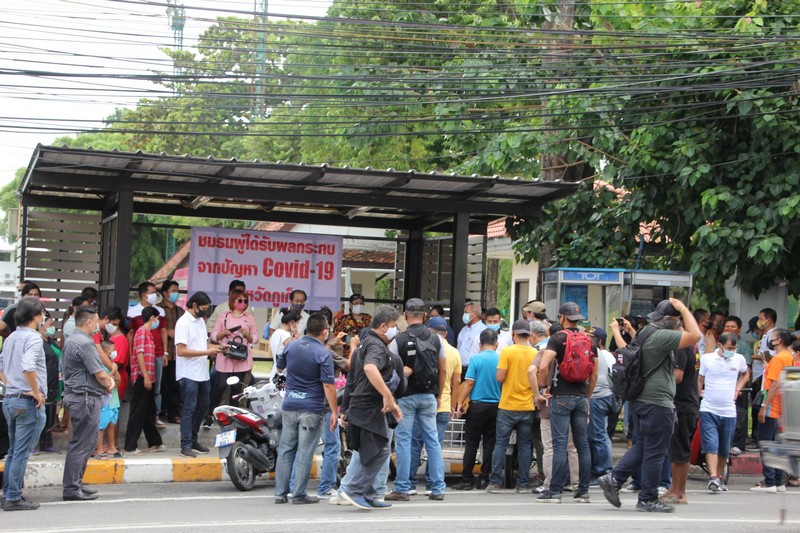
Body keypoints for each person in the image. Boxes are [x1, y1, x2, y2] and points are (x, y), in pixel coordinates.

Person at [598, 298, 700, 513]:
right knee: (655, 452)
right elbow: (695, 335)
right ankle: (647, 498)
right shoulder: (662, 336)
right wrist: (684, 309)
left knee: (643, 446)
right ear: (673, 320)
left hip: (642, 400)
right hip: (657, 402)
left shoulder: (645, 333)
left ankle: (614, 479)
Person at [337, 305, 404, 510]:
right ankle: (354, 490)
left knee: (373, 450)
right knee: (380, 450)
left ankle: (367, 493)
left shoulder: (367, 343)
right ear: (384, 326)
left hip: (364, 404)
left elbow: (354, 379)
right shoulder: (376, 346)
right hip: (367, 406)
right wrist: (387, 396)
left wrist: (390, 401)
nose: (396, 330)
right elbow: (369, 368)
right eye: (394, 326)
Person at [535, 303, 597, 504]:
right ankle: (583, 491)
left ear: (562, 317)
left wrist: (544, 386)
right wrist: (587, 396)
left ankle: (555, 492)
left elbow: (544, 364)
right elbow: (594, 374)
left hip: (561, 396)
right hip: (581, 397)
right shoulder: (589, 340)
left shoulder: (558, 338)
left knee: (559, 444)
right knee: (582, 444)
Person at [386, 298, 447, 502]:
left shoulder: (398, 340)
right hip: (429, 395)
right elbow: (443, 369)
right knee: (433, 441)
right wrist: (438, 394)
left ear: (405, 316)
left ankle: (402, 487)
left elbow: (390, 370)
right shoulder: (436, 339)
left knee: (404, 440)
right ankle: (437, 487)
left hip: (406, 396)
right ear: (425, 315)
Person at [273, 313, 338, 505]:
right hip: (311, 407)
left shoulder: (291, 346)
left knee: (286, 449)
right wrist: (334, 411)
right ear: (324, 332)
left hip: (290, 404)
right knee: (305, 451)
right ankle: (299, 494)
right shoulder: (323, 353)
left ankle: (280, 493)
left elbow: (280, 367)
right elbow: (328, 385)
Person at [61, 306, 115, 501]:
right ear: (89, 322)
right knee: (83, 443)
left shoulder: (72, 340)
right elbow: (99, 373)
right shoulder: (85, 342)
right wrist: (109, 382)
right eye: (97, 321)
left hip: (79, 396)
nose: (98, 325)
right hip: (85, 397)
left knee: (85, 442)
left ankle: (76, 483)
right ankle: (72, 488)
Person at [0, 298, 48, 510]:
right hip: (27, 402)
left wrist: (12, 384)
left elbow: (1, 366)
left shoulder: (11, 338)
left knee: (14, 451)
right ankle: (13, 497)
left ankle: (9, 493)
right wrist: (36, 393)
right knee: (21, 452)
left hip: (11, 399)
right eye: (42, 314)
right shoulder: (34, 338)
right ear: (36, 316)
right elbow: (29, 367)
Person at [408, 315, 461, 495]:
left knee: (415, 443)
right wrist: (453, 404)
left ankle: (410, 483)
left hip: (424, 400)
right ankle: (432, 484)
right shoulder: (454, 352)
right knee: (435, 445)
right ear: (446, 333)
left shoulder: (423, 346)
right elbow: (456, 382)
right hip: (443, 404)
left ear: (429, 330)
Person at [485, 319, 540, 494]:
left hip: (507, 405)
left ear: (513, 334)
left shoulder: (507, 351)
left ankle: (495, 482)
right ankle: (522, 483)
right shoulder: (535, 353)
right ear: (529, 335)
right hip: (527, 406)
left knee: (500, 444)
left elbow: (500, 377)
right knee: (524, 446)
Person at [698, 332, 749, 492]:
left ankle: (719, 477)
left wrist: (737, 389)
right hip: (708, 409)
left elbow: (746, 373)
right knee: (711, 445)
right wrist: (698, 393)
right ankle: (713, 477)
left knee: (724, 448)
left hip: (729, 411)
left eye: (734, 348)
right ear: (720, 345)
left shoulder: (739, 359)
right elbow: (700, 378)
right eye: (729, 348)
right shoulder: (707, 359)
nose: (731, 351)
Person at [453, 328, 501, 491]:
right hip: (496, 406)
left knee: (471, 444)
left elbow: (469, 382)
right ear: (496, 344)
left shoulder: (475, 359)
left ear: (480, 344)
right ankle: (484, 478)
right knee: (489, 444)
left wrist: (460, 402)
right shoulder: (501, 359)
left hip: (477, 406)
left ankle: (467, 479)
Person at [174, 292, 218, 458]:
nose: (205, 312)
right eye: (203, 308)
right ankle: (185, 444)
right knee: (189, 408)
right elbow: (181, 351)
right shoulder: (183, 323)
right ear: (194, 305)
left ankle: (193, 440)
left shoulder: (200, 321)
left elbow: (203, 344)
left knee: (203, 406)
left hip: (202, 372)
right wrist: (207, 351)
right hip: (188, 373)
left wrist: (216, 348)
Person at [751, 328, 794, 493]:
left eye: (773, 338)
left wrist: (764, 406)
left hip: (772, 405)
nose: (770, 340)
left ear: (779, 341)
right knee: (777, 444)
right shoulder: (789, 357)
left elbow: (774, 385)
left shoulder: (778, 358)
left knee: (766, 443)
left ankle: (769, 482)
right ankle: (779, 481)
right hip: (782, 406)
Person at [660, 325, 700, 505]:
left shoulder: (681, 347)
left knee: (681, 449)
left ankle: (680, 492)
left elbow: (677, 376)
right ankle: (673, 488)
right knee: (675, 449)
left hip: (683, 404)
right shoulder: (690, 346)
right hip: (685, 402)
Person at [207, 288, 258, 425]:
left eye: (245, 301)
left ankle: (232, 418)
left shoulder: (249, 317)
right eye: (240, 300)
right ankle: (211, 414)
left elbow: (255, 338)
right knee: (220, 386)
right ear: (232, 301)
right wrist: (223, 333)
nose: (243, 303)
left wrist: (247, 334)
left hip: (241, 357)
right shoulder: (223, 316)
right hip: (225, 355)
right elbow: (213, 335)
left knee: (236, 388)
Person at [124, 307, 165, 455]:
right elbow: (139, 354)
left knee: (149, 411)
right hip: (142, 377)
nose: (157, 321)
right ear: (152, 318)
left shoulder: (148, 333)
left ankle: (155, 442)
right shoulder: (142, 332)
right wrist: (146, 376)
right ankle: (130, 446)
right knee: (138, 411)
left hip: (148, 377)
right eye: (157, 318)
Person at [128, 282, 168, 427]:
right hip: (142, 356)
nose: (155, 295)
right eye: (152, 292)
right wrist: (131, 355)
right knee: (141, 388)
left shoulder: (160, 311)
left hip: (157, 354)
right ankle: (142, 417)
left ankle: (155, 416)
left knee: (156, 388)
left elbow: (163, 331)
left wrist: (165, 352)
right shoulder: (133, 312)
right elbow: (130, 334)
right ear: (144, 295)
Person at [587, 327, 615, 481]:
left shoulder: (595, 352)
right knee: (599, 435)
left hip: (597, 396)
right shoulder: (597, 352)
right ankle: (603, 470)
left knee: (597, 436)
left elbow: (593, 376)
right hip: (601, 396)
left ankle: (602, 472)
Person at [157, 279, 184, 424]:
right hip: (162, 352)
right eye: (173, 291)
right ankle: (161, 411)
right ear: (165, 293)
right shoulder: (158, 310)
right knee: (161, 384)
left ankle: (173, 413)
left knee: (175, 385)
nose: (176, 294)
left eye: (177, 291)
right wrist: (167, 331)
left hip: (177, 354)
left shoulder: (181, 311)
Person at [751, 307, 777, 448]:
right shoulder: (765, 334)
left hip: (764, 374)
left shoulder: (773, 336)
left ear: (769, 320)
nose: (759, 322)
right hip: (759, 374)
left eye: (761, 319)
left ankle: (759, 439)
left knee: (759, 407)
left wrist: (754, 356)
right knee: (756, 407)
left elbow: (769, 356)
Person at [37, 313, 61, 454]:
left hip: (54, 382)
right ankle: (35, 444)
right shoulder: (37, 342)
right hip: (43, 382)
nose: (53, 328)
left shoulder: (51, 342)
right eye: (50, 324)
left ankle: (46, 443)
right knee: (40, 413)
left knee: (50, 413)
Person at [94, 340, 122, 459]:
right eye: (113, 349)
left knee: (111, 423)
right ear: (105, 351)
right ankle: (99, 449)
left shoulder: (111, 364)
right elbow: (106, 380)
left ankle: (111, 447)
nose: (115, 352)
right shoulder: (101, 365)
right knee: (101, 425)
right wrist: (114, 370)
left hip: (114, 400)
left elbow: (117, 381)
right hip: (105, 399)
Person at [334, 293, 372, 359]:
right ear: (350, 304)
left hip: (364, 353)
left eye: (361, 303)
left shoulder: (368, 318)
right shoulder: (343, 319)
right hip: (348, 353)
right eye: (356, 303)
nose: (359, 305)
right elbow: (336, 334)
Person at [456, 301, 487, 376]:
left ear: (475, 314)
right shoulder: (463, 330)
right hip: (459, 369)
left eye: (466, 312)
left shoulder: (483, 330)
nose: (464, 315)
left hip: (474, 369)